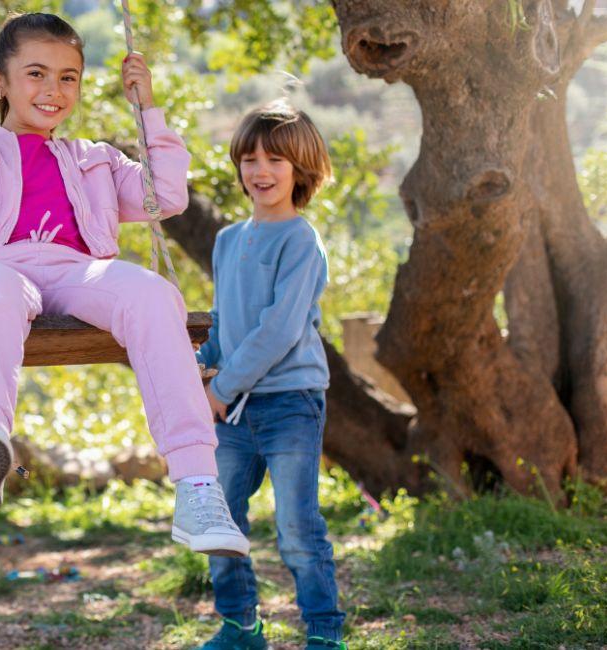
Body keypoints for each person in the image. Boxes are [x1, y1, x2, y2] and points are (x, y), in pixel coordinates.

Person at [0, 13, 247, 557]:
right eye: (36, 73)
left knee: (154, 293)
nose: (53, 90)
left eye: (68, 77)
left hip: (78, 272)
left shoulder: (96, 159)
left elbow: (165, 198)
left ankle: (198, 486)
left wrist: (148, 108)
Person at [195, 100, 345, 649]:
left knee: (298, 531)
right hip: (231, 410)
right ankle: (241, 627)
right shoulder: (227, 241)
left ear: (301, 170)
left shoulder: (302, 241)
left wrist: (221, 385)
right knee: (219, 520)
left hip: (290, 402)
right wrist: (200, 372)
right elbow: (222, 325)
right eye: (250, 158)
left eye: (276, 160)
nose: (260, 171)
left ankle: (325, 636)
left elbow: (279, 329)